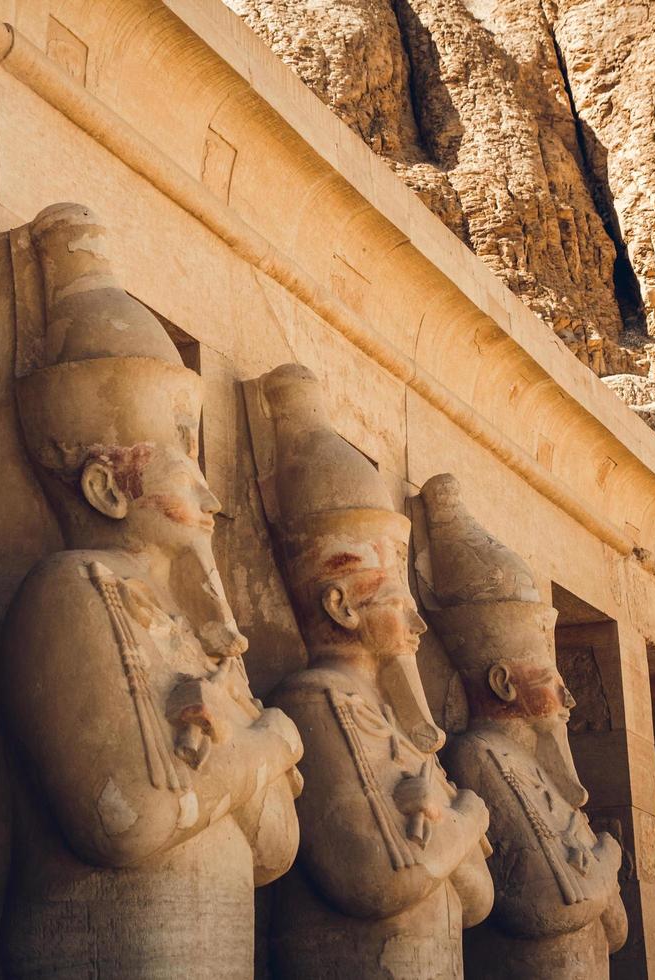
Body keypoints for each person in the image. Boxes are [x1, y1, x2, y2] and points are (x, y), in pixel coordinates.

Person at [1, 203, 303, 978]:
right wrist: (267, 743)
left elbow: (273, 850)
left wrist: (235, 761)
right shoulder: (72, 591)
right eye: (180, 460)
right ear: (104, 486)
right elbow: (132, 821)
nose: (209, 496)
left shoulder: (196, 633)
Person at [257, 364, 493, 978]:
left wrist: (446, 830)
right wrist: (467, 814)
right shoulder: (316, 701)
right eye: (398, 600)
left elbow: (475, 899)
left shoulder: (381, 716)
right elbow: (383, 879)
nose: (417, 626)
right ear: (340, 605)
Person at [420, 474, 628, 979]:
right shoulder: (479, 755)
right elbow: (552, 903)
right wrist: (610, 858)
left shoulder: (533, 769)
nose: (569, 698)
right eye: (552, 681)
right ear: (504, 682)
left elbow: (617, 929)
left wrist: (595, 873)